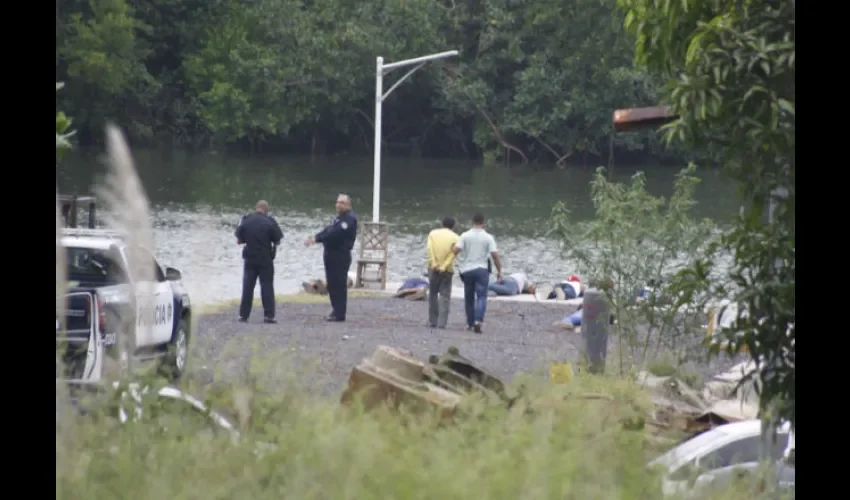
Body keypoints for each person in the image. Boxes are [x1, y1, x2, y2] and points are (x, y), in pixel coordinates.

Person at [304, 193, 358, 322]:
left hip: (340, 255)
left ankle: (340, 313)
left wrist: (318, 239)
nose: (338, 205)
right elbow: (327, 230)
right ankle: (335, 310)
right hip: (331, 254)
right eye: (338, 202)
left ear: (348, 205)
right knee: (332, 283)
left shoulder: (349, 219)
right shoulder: (338, 218)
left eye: (342, 203)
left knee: (339, 284)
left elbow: (335, 234)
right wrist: (314, 237)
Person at [235, 200, 284, 323]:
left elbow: (239, 240)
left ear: (256, 208)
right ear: (266, 210)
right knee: (267, 286)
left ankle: (243, 315)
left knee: (247, 287)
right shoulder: (270, 221)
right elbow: (278, 240)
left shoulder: (246, 220)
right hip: (265, 259)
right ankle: (269, 315)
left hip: (250, 259)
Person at [452, 213, 501, 333]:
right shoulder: (488, 237)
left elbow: (456, 251)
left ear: (472, 222)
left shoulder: (465, 235)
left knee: (469, 298)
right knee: (481, 296)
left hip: (467, 270)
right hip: (481, 270)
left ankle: (470, 323)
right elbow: (495, 255)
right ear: (483, 223)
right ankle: (478, 321)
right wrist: (499, 270)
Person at [426, 216, 459, 328]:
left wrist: (434, 263)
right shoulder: (456, 237)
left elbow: (430, 249)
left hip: (432, 267)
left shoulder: (433, 234)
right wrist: (444, 266)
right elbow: (453, 254)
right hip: (447, 269)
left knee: (433, 294)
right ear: (453, 226)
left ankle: (432, 320)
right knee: (445, 295)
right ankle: (442, 323)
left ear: (441, 224)